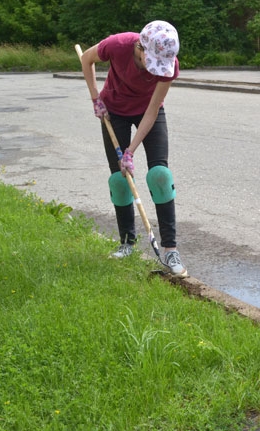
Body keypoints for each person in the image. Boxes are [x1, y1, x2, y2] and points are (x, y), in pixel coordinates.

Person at [79, 20, 188, 278]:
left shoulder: (169, 67)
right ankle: (127, 243)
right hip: (113, 109)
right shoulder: (118, 45)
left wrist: (131, 150)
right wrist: (96, 98)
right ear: (140, 47)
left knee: (160, 175)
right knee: (120, 179)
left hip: (147, 111)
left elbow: (152, 110)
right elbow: (86, 58)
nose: (153, 71)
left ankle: (170, 250)